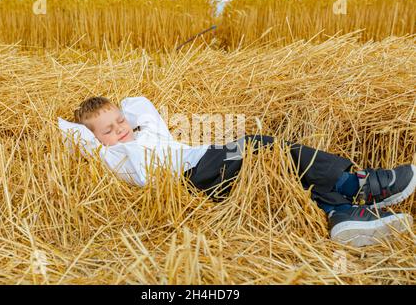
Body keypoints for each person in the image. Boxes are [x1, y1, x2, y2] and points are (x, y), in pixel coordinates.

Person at [58, 96, 415, 247]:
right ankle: (358, 184)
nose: (119, 129)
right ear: (97, 139)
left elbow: (139, 104)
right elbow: (71, 133)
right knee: (259, 143)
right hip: (190, 177)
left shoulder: (148, 130)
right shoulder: (114, 155)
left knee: (278, 162)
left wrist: (118, 116)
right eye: (108, 130)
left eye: (119, 121)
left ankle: (340, 213)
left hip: (206, 162)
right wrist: (92, 131)